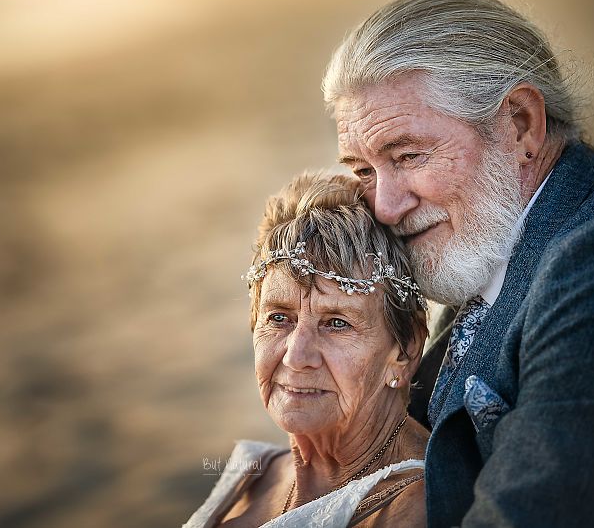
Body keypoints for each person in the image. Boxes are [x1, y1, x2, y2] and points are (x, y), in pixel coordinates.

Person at [323, 0, 594, 526]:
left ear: (520, 124)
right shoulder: (490, 237)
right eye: (364, 171)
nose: (386, 207)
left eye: (409, 155)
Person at [184, 172, 431, 527]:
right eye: (279, 317)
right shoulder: (252, 471)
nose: (296, 357)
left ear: (405, 352)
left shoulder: (412, 508)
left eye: (336, 323)